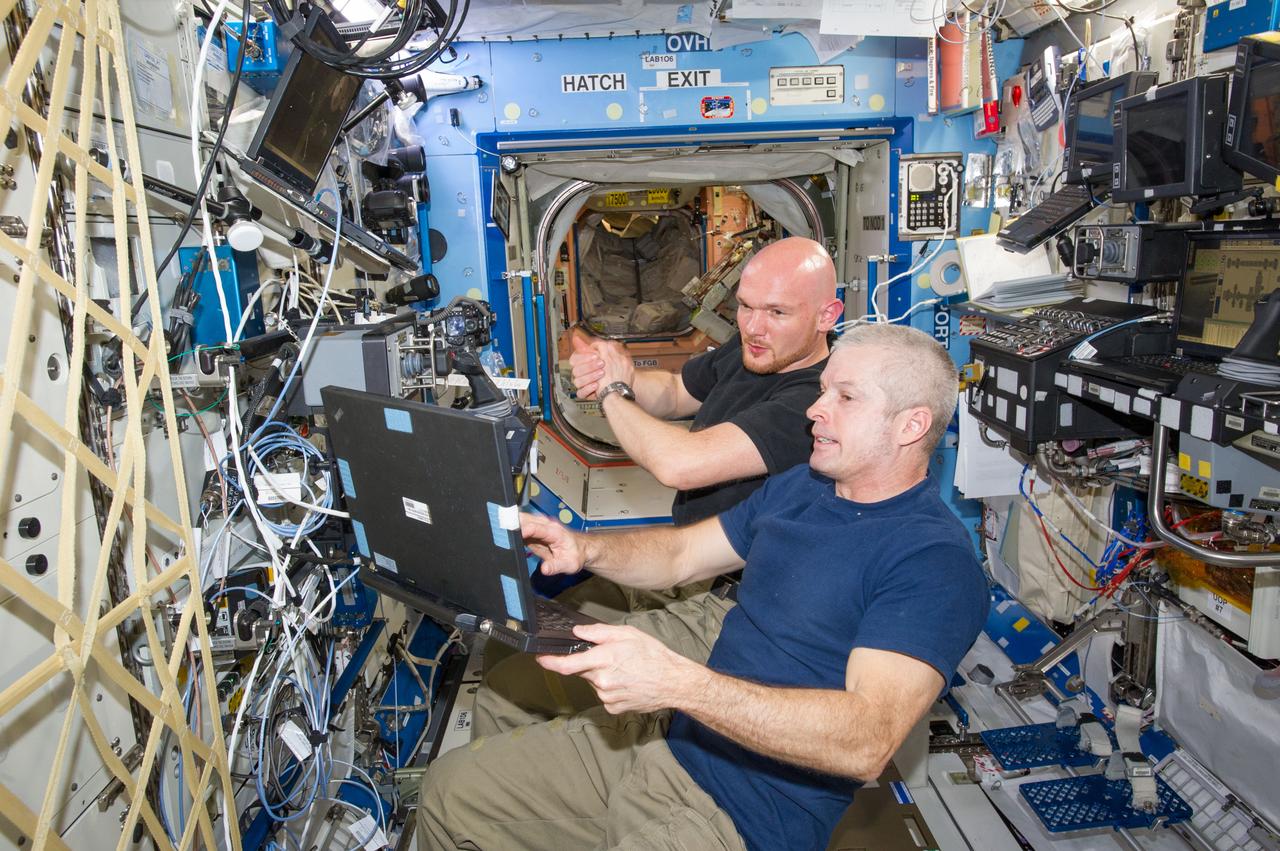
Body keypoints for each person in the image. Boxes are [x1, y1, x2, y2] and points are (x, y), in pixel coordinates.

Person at [418, 324, 991, 851]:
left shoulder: (933, 562)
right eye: (822, 391)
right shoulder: (805, 488)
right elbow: (682, 553)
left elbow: (868, 741)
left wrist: (680, 684)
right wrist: (585, 547)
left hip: (735, 815)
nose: (815, 410)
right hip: (664, 743)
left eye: (845, 398)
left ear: (911, 425)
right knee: (449, 792)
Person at [471, 236, 842, 736]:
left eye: (776, 311)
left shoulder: (814, 400)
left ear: (827, 315)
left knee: (505, 693)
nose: (754, 326)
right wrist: (616, 370)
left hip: (727, 602)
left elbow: (680, 464)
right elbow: (670, 392)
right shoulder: (755, 351)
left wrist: (612, 392)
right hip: (678, 565)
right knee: (511, 635)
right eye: (746, 307)